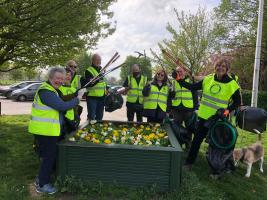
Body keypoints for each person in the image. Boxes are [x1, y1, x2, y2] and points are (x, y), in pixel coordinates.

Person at [178, 58, 241, 177]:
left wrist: (227, 112)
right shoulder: (208, 79)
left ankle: (217, 170)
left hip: (218, 120)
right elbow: (192, 87)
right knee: (196, 141)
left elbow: (237, 102)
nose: (220, 68)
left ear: (227, 69)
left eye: (223, 66)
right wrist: (179, 80)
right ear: (215, 67)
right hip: (203, 118)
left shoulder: (232, 84)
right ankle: (189, 163)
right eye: (218, 65)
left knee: (217, 146)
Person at [28, 67, 82, 194]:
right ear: (51, 77)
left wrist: (75, 95)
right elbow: (62, 106)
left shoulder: (53, 90)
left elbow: (62, 101)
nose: (60, 81)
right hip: (45, 131)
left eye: (62, 79)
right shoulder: (46, 91)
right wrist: (78, 98)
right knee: (48, 157)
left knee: (48, 156)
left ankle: (41, 178)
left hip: (48, 130)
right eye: (58, 78)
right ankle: (42, 185)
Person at [171, 66, 197, 149]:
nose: (179, 73)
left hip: (188, 108)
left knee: (189, 127)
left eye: (181, 71)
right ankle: (178, 143)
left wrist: (195, 106)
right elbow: (172, 94)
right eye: (177, 71)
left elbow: (194, 94)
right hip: (176, 108)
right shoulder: (174, 82)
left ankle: (188, 143)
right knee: (177, 127)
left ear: (185, 72)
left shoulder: (190, 80)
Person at [81, 53, 107, 120]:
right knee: (91, 117)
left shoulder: (102, 70)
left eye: (100, 60)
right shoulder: (88, 71)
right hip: (92, 98)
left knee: (100, 117)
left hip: (101, 97)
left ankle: (97, 129)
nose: (99, 61)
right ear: (92, 60)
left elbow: (103, 84)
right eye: (97, 60)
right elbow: (89, 84)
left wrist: (106, 91)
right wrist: (98, 77)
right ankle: (90, 130)